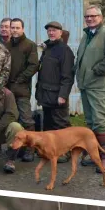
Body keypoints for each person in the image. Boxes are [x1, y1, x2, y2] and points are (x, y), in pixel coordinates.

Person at [75, 5, 105, 173]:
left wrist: (96, 71)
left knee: (100, 121)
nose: (89, 19)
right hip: (85, 85)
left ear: (100, 17)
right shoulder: (86, 35)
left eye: (93, 16)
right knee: (91, 121)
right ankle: (95, 155)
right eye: (87, 16)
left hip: (98, 85)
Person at [35, 21, 75, 163]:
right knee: (48, 124)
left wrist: (63, 95)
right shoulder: (47, 48)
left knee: (61, 125)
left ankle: (66, 152)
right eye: (49, 30)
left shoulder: (65, 50)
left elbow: (67, 76)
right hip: (46, 93)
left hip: (58, 95)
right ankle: (50, 150)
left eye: (54, 30)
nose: (51, 33)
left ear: (60, 32)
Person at [5, 18, 39, 162]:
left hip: (22, 88)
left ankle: (30, 148)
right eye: (12, 28)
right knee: (13, 119)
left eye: (17, 28)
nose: (14, 30)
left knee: (26, 119)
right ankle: (17, 148)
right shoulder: (6, 45)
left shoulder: (30, 45)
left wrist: (19, 80)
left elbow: (33, 66)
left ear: (23, 29)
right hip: (7, 88)